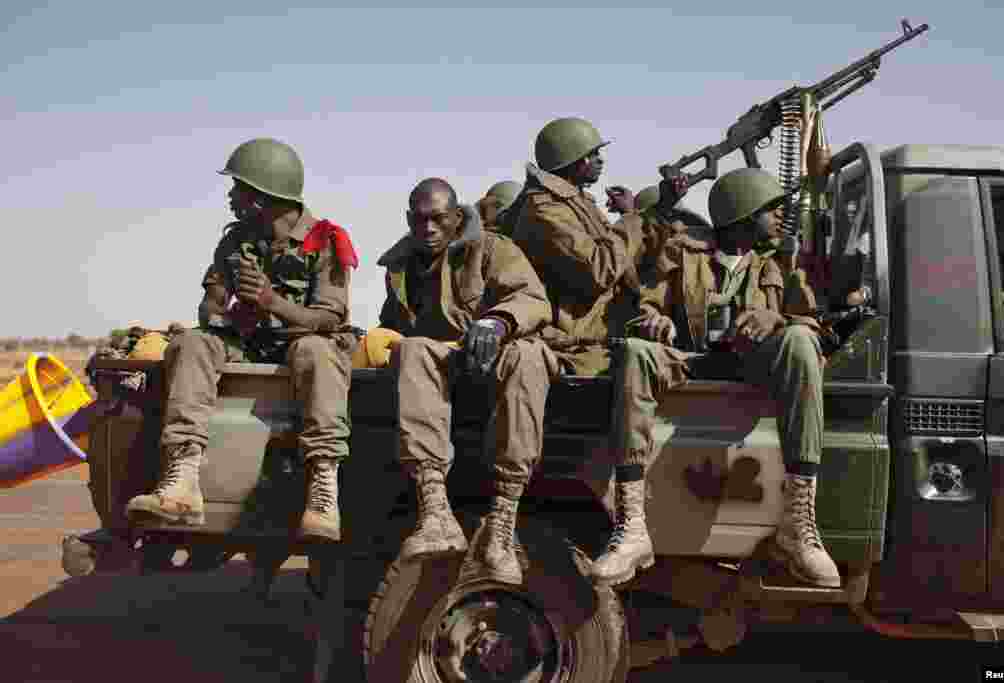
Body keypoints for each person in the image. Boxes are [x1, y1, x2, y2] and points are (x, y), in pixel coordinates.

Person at [589, 167, 842, 589]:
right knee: (635, 352)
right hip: (692, 359)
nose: (780, 217)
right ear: (743, 213)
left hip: (753, 365)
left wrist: (776, 318)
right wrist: (655, 323)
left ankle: (799, 526)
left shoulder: (783, 262)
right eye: (771, 209)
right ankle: (631, 527)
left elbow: (818, 326)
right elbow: (644, 308)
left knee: (799, 341)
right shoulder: (685, 255)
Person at [126, 138, 358, 543]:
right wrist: (233, 312)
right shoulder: (235, 242)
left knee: (318, 351)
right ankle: (182, 479)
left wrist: (272, 302)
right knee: (193, 343)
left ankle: (323, 490)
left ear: (261, 197)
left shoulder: (325, 240)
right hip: (248, 340)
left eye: (238, 189)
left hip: (303, 342)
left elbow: (330, 317)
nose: (232, 197)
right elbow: (209, 310)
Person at [381, 178, 557, 584]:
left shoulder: (493, 248)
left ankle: (502, 526)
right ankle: (436, 514)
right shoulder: (402, 266)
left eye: (438, 219)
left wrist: (497, 321)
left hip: (499, 354)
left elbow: (533, 300)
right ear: (410, 219)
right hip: (447, 362)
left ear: (457, 218)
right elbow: (394, 326)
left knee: (529, 357)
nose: (428, 229)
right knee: (412, 349)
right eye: (419, 220)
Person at [511, 116, 644, 379]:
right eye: (592, 154)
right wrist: (629, 221)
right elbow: (600, 270)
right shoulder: (545, 209)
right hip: (575, 345)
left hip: (600, 336)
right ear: (574, 160)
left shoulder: (573, 201)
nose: (600, 160)